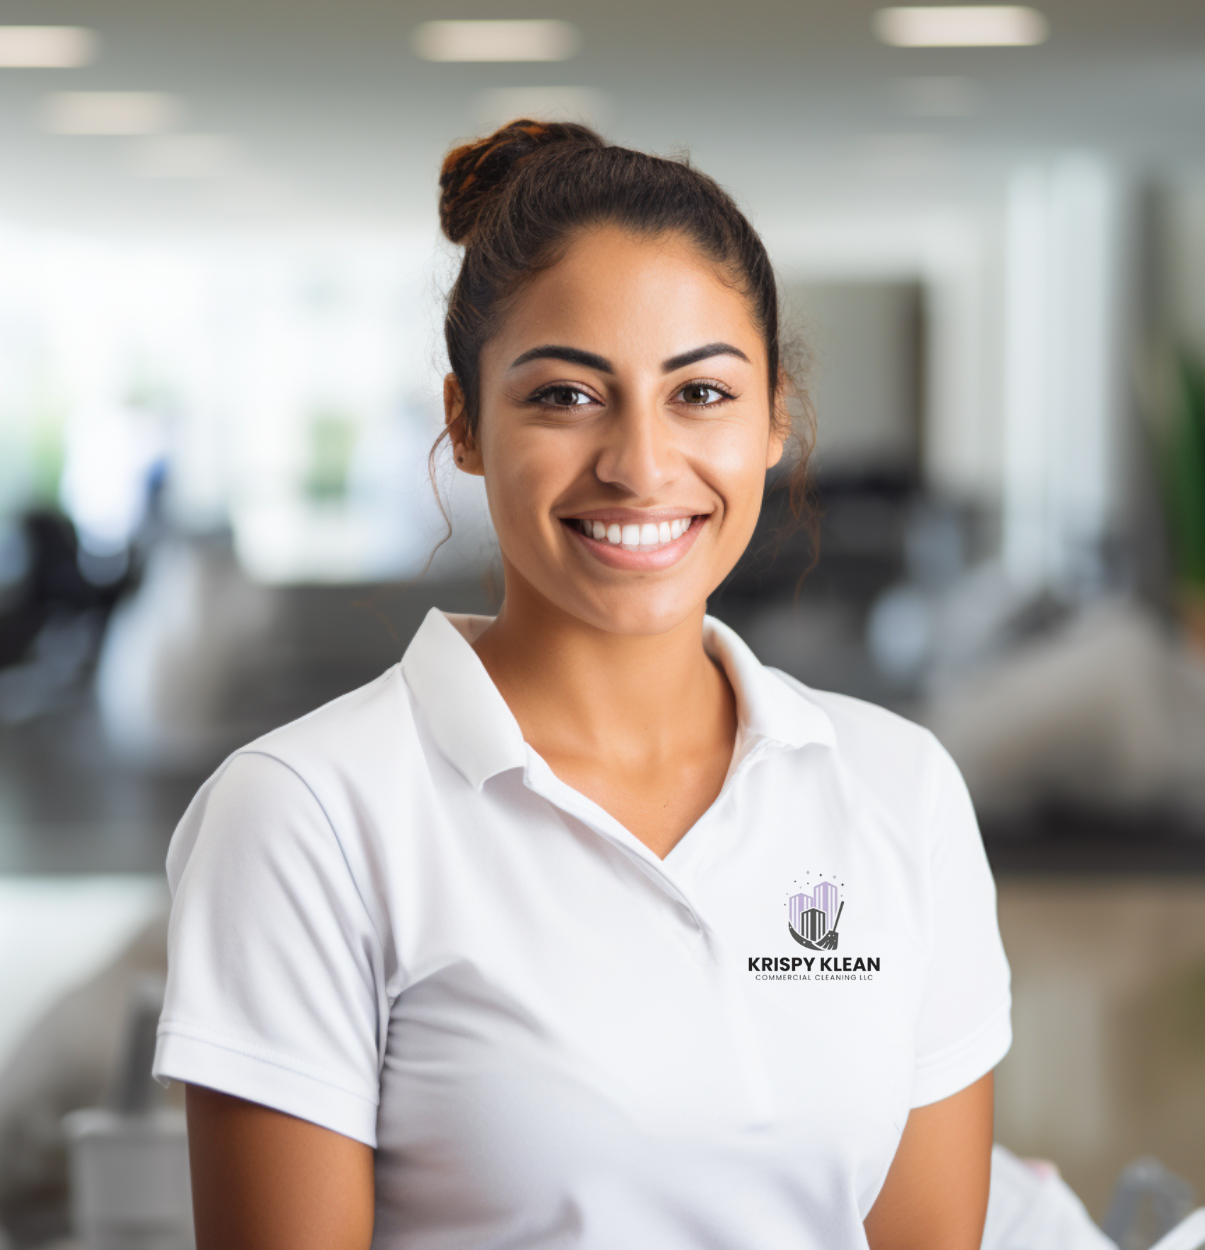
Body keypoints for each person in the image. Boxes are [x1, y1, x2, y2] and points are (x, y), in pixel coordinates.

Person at [154, 120, 1012, 1250]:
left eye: (699, 393)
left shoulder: (900, 790)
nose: (641, 464)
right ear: (464, 422)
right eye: (566, 395)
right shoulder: (306, 813)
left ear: (775, 421)